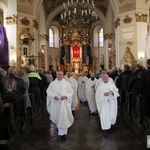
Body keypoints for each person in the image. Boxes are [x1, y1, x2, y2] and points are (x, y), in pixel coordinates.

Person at [46, 70, 74, 141]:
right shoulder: (52, 83)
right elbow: (48, 92)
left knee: (64, 118)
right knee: (57, 118)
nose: (59, 76)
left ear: (63, 75)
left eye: (61, 74)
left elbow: (71, 92)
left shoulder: (67, 83)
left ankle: (63, 134)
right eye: (58, 74)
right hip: (55, 103)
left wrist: (66, 96)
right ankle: (60, 130)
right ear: (56, 75)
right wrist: (53, 96)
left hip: (64, 103)